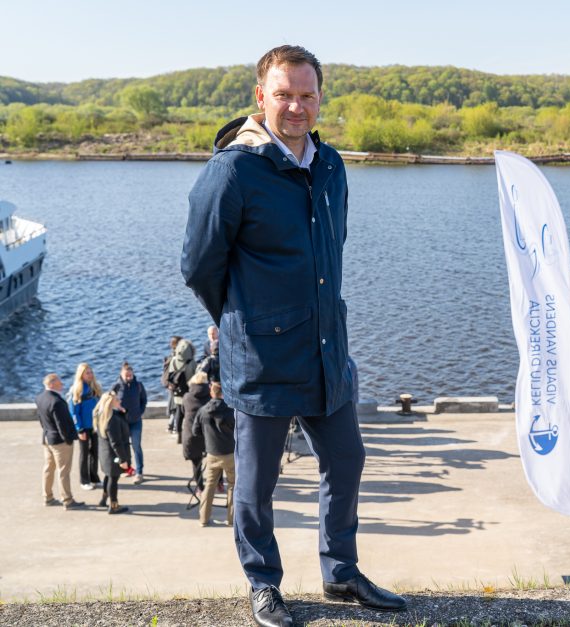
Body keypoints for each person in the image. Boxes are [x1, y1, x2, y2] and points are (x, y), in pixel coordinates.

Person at [182, 44, 405, 626]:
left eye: (307, 95)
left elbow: (334, 250)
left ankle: (341, 572)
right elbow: (198, 266)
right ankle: (263, 583)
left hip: (327, 350)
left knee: (347, 460)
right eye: (284, 94)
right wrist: (241, 318)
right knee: (256, 484)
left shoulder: (330, 165)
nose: (296, 106)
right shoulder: (233, 171)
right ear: (261, 97)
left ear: (319, 98)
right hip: (262, 356)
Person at [36, 373, 84, 509]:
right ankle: (67, 500)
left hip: (47, 438)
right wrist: (69, 440)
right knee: (63, 471)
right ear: (51, 384)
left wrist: (46, 432)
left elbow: (41, 419)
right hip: (59, 442)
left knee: (48, 469)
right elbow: (61, 424)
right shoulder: (56, 401)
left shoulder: (40, 398)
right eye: (59, 382)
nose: (62, 384)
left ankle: (48, 497)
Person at [193, 382, 236, 527]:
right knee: (233, 486)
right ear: (223, 393)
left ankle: (203, 519)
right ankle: (231, 520)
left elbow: (195, 431)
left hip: (212, 453)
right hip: (229, 453)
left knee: (209, 486)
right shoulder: (230, 411)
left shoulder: (203, 410)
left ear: (211, 393)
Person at [93, 391, 131, 514]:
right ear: (110, 403)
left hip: (105, 454)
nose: (119, 401)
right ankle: (113, 505)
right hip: (113, 455)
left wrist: (122, 412)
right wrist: (123, 460)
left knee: (108, 476)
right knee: (113, 479)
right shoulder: (112, 420)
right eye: (117, 400)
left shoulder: (100, 415)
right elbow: (116, 443)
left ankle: (104, 499)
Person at [111, 362, 148, 483]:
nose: (128, 377)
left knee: (136, 446)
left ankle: (139, 472)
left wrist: (140, 412)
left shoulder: (138, 385)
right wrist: (118, 412)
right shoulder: (116, 386)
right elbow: (110, 401)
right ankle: (127, 469)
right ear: (121, 375)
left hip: (136, 421)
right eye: (126, 375)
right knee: (124, 446)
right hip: (122, 422)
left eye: (130, 375)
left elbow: (144, 400)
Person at [68, 362, 102, 490]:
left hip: (94, 426)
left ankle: (94, 477)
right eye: (87, 373)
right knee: (84, 453)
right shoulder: (77, 389)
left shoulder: (95, 387)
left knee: (95, 452)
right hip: (83, 427)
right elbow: (73, 412)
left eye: (91, 372)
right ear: (81, 375)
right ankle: (84, 480)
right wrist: (79, 428)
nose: (90, 375)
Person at [181, 370, 211, 496]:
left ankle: (200, 487)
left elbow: (183, 411)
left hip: (191, 434)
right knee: (216, 460)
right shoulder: (210, 396)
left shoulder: (187, 397)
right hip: (208, 434)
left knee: (196, 463)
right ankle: (219, 483)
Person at [163, 335, 196, 441]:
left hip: (177, 392)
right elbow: (194, 377)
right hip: (188, 392)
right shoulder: (192, 363)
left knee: (178, 413)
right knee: (189, 413)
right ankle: (189, 433)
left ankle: (178, 433)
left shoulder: (173, 360)